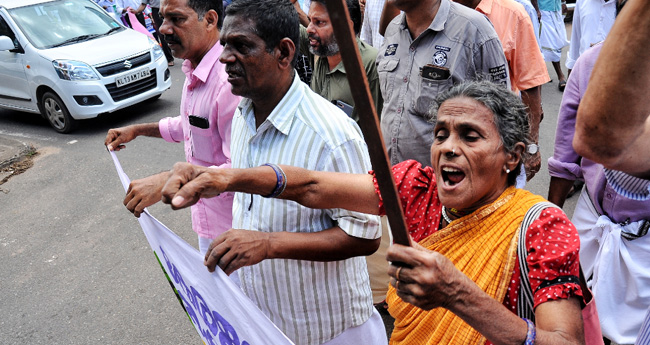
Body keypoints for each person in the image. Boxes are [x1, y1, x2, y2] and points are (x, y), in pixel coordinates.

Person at [160, 80, 585, 345]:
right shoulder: (415, 188)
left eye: (469, 136)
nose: (448, 147)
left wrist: (457, 293)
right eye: (441, 134)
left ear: (511, 158)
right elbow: (312, 186)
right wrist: (226, 178)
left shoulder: (540, 227)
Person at [178, 0, 386, 343]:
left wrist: (269, 244)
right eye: (225, 45)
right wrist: (205, 178)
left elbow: (365, 235)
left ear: (284, 52)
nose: (226, 57)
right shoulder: (245, 113)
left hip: (328, 329)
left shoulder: (332, 135)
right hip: (267, 322)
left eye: (242, 46)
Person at [104, 0, 240, 260]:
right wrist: (138, 129)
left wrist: (168, 181)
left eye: (176, 19)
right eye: (163, 18)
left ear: (210, 20)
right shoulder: (194, 69)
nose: (163, 29)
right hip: (210, 224)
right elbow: (191, 124)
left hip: (234, 232)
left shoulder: (227, 82)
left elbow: (242, 168)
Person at [548, 35, 649, 345]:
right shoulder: (592, 61)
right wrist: (549, 223)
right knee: (573, 320)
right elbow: (566, 156)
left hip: (645, 244)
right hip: (590, 221)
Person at [376, 0, 510, 168]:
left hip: (447, 184)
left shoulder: (474, 30)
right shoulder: (393, 29)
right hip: (390, 180)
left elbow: (502, 118)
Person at [454, 0, 550, 181]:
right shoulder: (437, 11)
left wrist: (531, 146)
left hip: (499, 143)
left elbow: (530, 84)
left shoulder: (513, 13)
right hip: (450, 142)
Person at [295, 0, 382, 122]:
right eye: (310, 20)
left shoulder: (371, 65)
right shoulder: (321, 50)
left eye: (319, 22)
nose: (309, 29)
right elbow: (283, 23)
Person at [565, 0, 617, 77]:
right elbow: (576, 37)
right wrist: (571, 69)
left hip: (614, 73)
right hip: (585, 72)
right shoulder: (582, 2)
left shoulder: (625, 5)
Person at [131, 0, 175, 66]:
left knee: (176, 30)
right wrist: (136, 11)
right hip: (157, 12)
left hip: (170, 8)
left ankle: (185, 53)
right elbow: (143, 5)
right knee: (162, 35)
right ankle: (169, 58)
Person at [537, 0, 569, 91]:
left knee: (558, 41)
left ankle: (542, 73)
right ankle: (561, 76)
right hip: (544, 10)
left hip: (556, 8)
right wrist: (536, 10)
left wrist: (563, 3)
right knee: (551, 43)